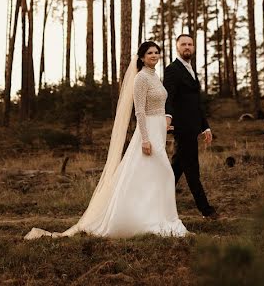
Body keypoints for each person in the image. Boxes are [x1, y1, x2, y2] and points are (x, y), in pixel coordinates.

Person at [25, 41, 188, 239]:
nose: (154, 55)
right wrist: (145, 139)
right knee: (166, 175)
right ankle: (139, 219)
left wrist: (164, 124)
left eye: (156, 52)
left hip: (159, 131)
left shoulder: (155, 77)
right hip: (147, 134)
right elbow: (139, 111)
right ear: (142, 57)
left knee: (153, 177)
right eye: (150, 53)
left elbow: (158, 106)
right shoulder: (141, 78)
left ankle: (156, 216)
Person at [164, 34, 217, 219]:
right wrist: (167, 117)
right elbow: (168, 97)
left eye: (190, 44)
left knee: (176, 169)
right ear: (177, 47)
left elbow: (196, 103)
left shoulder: (191, 69)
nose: (187, 47)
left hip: (193, 127)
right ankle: (206, 210)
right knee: (192, 170)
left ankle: (156, 201)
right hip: (182, 128)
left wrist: (206, 127)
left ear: (193, 47)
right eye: (183, 44)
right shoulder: (172, 69)